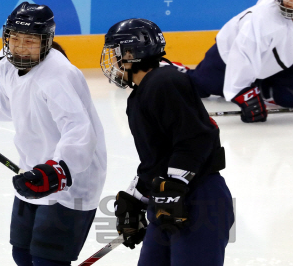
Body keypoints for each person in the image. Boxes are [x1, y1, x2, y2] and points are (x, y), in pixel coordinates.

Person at [0, 2, 107, 266]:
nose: (19, 46)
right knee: (23, 255)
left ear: (46, 41)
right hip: (33, 170)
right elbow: (8, 96)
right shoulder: (8, 62)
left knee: (47, 260)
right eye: (14, 38)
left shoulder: (59, 76)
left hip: (72, 178)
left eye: (30, 41)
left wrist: (58, 171)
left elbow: (79, 130)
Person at [100, 18, 234, 266]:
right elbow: (158, 158)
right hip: (171, 199)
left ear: (131, 53)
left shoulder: (165, 81)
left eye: (116, 52)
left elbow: (197, 138)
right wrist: (136, 197)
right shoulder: (140, 95)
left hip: (200, 198)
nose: (112, 60)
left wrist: (173, 186)